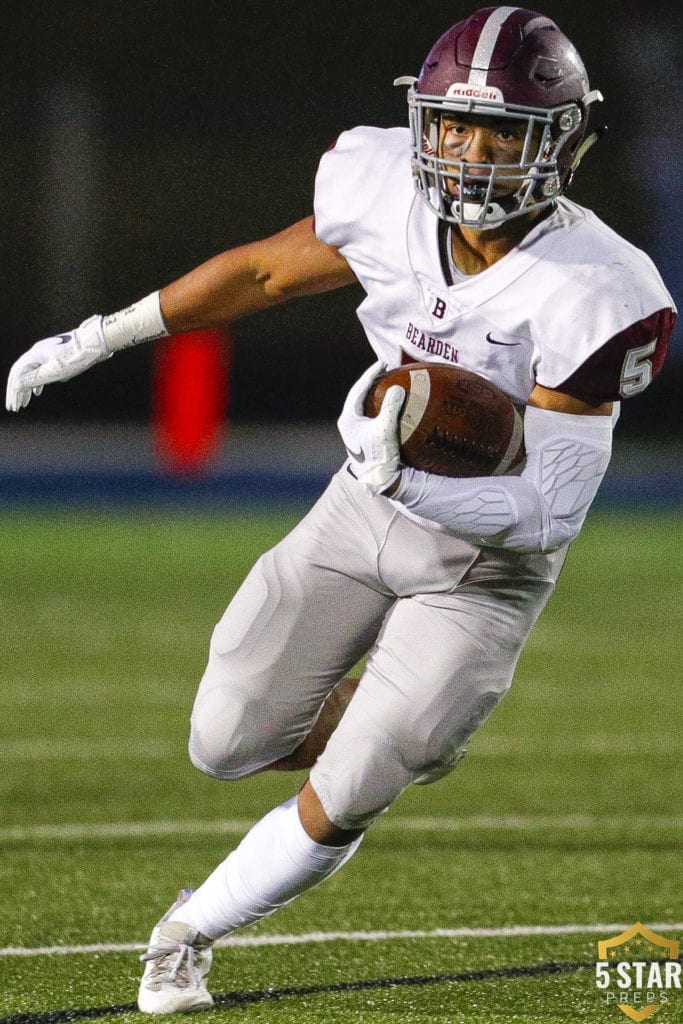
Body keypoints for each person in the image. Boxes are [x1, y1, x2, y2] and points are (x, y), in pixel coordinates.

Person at [6, 6, 676, 1014]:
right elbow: (266, 269)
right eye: (453, 127)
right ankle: (394, 712)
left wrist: (411, 473)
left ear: (562, 141)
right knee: (224, 739)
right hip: (360, 509)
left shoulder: (606, 292)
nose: (473, 154)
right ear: (422, 123)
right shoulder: (380, 187)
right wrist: (104, 334)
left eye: (504, 133)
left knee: (367, 772)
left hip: (484, 566)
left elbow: (542, 512)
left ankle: (187, 932)